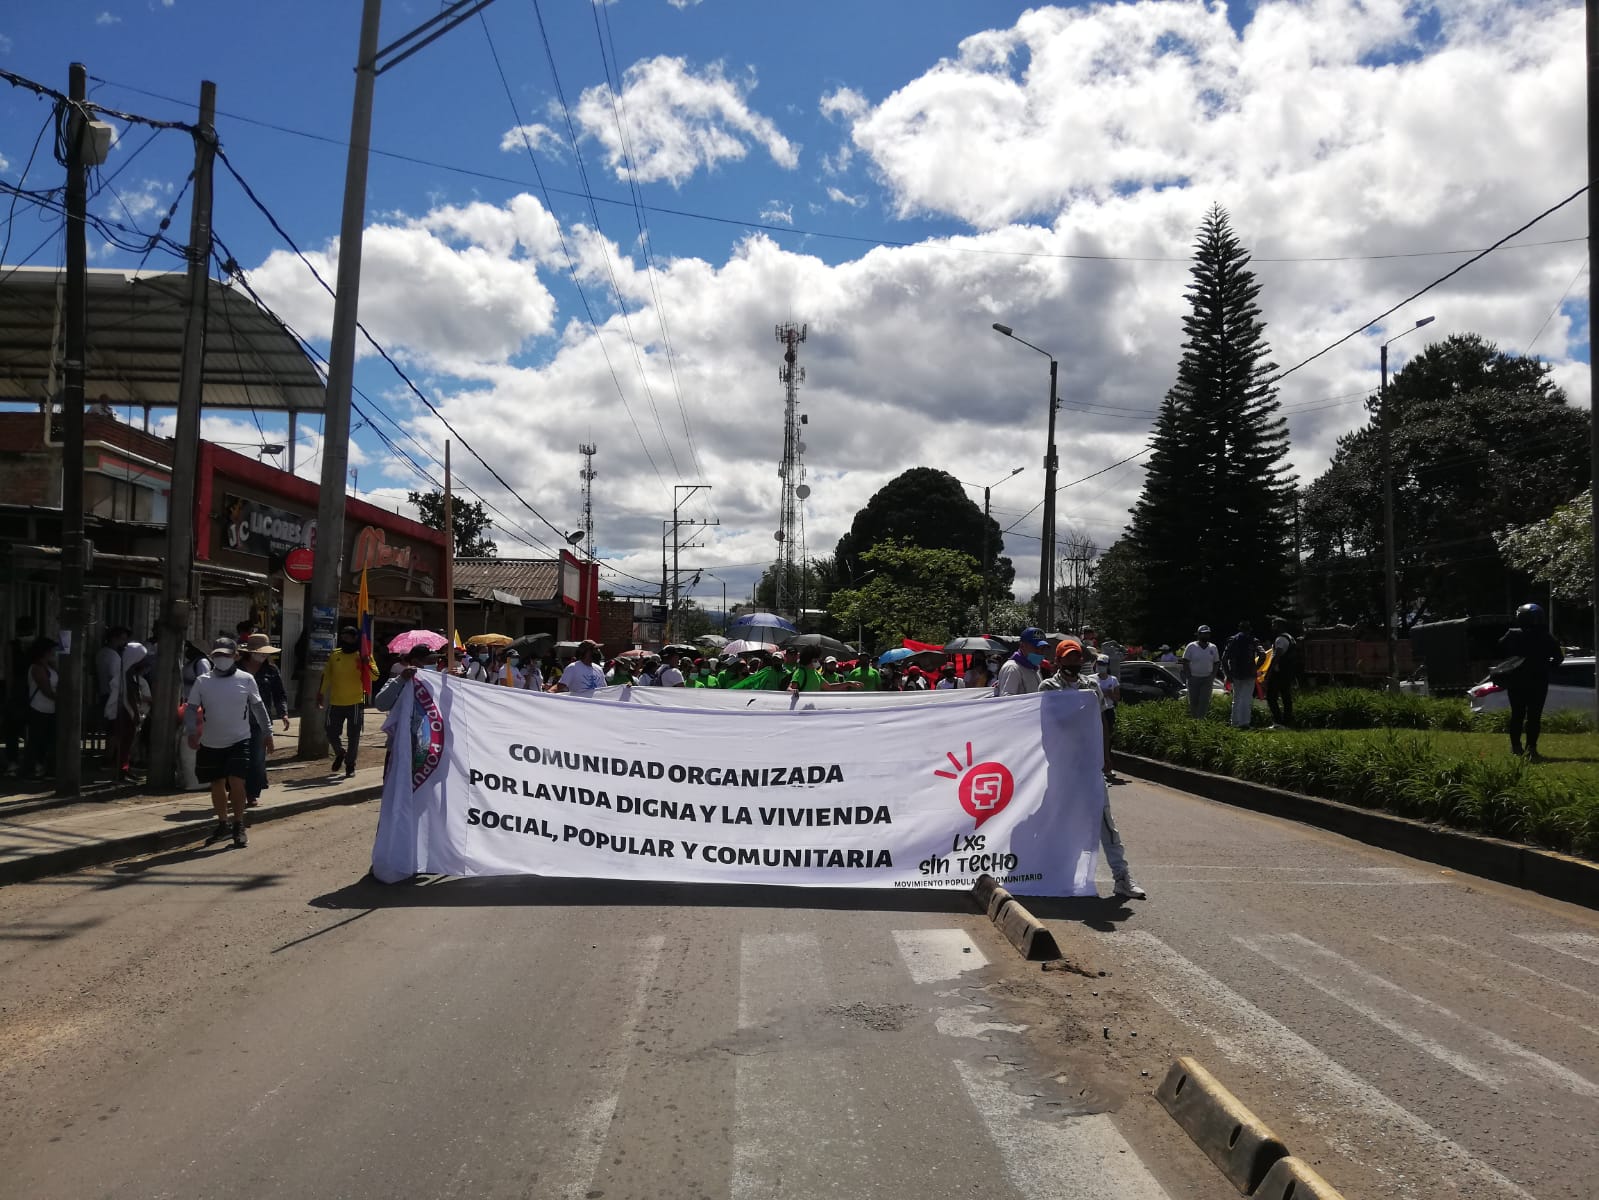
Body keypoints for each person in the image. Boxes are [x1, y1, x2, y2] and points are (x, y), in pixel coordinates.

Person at [1039, 640, 1145, 899]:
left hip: (1089, 766)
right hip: (1063, 768)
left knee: (1106, 823)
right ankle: (1058, 877)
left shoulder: (1092, 686)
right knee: (1061, 822)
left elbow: (1101, 720)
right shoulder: (1049, 687)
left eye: (1077, 658)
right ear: (1058, 660)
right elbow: (1047, 724)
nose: (1074, 663)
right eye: (1068, 658)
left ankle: (1121, 878)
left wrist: (1106, 753)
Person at [186, 638, 273, 848]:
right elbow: (191, 708)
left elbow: (258, 707)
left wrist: (267, 732)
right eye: (217, 655)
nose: (221, 659)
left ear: (235, 656)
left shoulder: (246, 679)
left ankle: (238, 824)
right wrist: (191, 732)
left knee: (237, 782)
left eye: (226, 655)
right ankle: (222, 824)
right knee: (216, 783)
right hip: (210, 742)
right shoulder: (203, 681)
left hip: (239, 739)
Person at [1497, 603, 1564, 758]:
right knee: (1534, 717)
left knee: (1517, 715)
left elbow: (1499, 649)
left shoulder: (1512, 634)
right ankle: (1531, 748)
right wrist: (1545, 667)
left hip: (1516, 682)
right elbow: (1559, 658)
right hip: (1539, 682)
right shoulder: (1546, 636)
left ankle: (1515, 747)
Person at [317, 625, 374, 778]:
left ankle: (350, 765)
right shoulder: (335, 655)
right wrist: (320, 693)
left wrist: (366, 663)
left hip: (355, 702)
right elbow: (327, 675)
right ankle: (340, 752)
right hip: (336, 702)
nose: (346, 639)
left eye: (349, 636)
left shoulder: (363, 655)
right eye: (343, 636)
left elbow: (375, 676)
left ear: (356, 638)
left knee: (353, 736)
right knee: (330, 731)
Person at [239, 635, 290, 808]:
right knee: (237, 758)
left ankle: (252, 793)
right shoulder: (236, 669)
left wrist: (283, 713)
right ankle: (236, 790)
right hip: (236, 720)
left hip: (260, 721)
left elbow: (279, 694)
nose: (262, 656)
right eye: (259, 653)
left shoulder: (271, 670)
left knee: (257, 758)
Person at [107, 642, 151, 783]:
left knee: (127, 743)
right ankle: (120, 772)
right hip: (125, 712)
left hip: (127, 711)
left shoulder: (131, 674)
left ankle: (124, 769)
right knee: (124, 743)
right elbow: (130, 696)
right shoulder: (127, 675)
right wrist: (136, 714)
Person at [20, 635, 59, 780]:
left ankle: (43, 768)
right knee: (36, 740)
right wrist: (64, 700)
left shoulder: (50, 666)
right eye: (51, 651)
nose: (53, 653)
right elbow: (46, 690)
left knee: (49, 740)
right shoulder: (36, 668)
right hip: (38, 708)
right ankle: (29, 770)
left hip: (51, 709)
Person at [375, 645, 442, 711]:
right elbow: (381, 705)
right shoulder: (399, 682)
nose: (435, 665)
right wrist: (401, 680)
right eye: (431, 662)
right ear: (415, 662)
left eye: (435, 662)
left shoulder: (438, 682)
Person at [1222, 621, 1261, 729]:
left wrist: (1227, 673)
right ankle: (1245, 723)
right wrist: (1256, 667)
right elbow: (1262, 654)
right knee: (1247, 698)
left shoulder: (1232, 640)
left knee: (1237, 698)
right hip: (1249, 673)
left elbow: (1224, 658)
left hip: (1236, 673)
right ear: (1249, 629)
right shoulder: (1253, 640)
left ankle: (1234, 722)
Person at [993, 628, 1049, 696]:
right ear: (1022, 646)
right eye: (1036, 648)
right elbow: (1007, 700)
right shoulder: (1013, 668)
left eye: (1043, 648)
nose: (1040, 652)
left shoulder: (1035, 668)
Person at [1181, 626, 1220, 718]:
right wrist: (1188, 675)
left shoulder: (1213, 647)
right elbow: (1185, 661)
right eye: (1204, 633)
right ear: (1198, 634)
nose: (1206, 635)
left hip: (1207, 679)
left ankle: (1201, 720)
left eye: (1207, 633)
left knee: (1204, 701)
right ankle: (1195, 721)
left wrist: (1213, 675)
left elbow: (1216, 662)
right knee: (1193, 701)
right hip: (1193, 678)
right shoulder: (1191, 646)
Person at [1264, 618, 1297, 728]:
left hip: (1279, 672)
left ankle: (1278, 721)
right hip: (1288, 671)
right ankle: (1288, 720)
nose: (1272, 627)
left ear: (1279, 626)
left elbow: (1276, 657)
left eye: (1274, 625)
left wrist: (1268, 674)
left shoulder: (1280, 639)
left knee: (1271, 696)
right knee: (1286, 696)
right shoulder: (1290, 637)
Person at [788, 645, 861, 692]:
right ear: (809, 659)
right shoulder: (800, 672)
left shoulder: (815, 672)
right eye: (816, 660)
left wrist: (848, 683)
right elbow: (790, 688)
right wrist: (792, 691)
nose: (818, 662)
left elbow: (829, 687)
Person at [1094, 654, 1121, 779]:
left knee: (1107, 738)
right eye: (1099, 664)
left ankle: (1107, 766)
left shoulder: (1113, 680)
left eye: (1103, 665)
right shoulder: (1091, 679)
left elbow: (1117, 698)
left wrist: (1109, 693)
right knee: (1095, 739)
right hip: (1095, 712)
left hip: (1108, 711)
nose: (1101, 667)